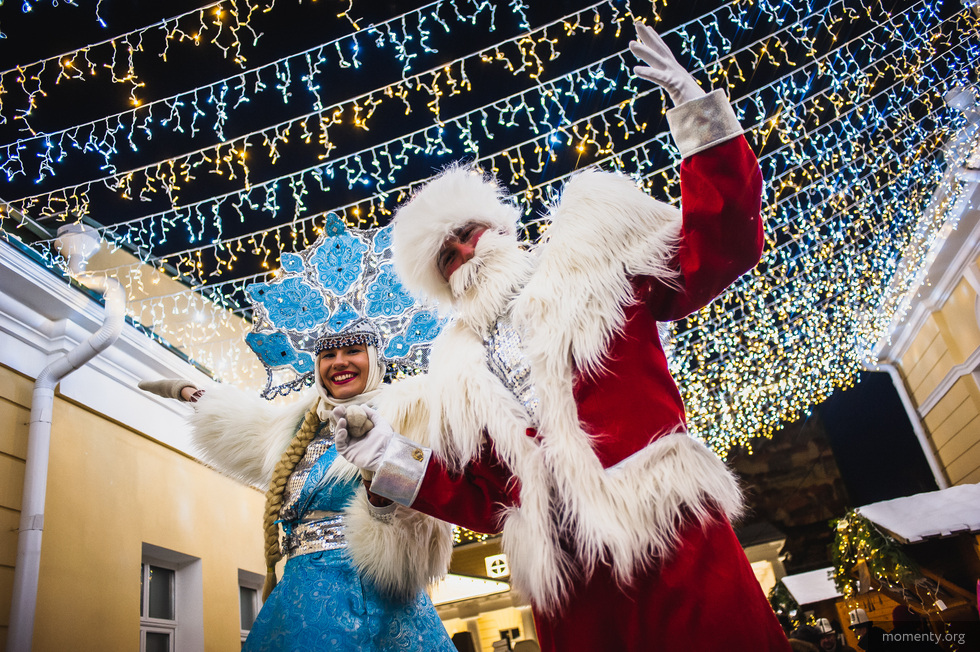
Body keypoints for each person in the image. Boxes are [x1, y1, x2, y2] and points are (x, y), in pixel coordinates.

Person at [335, 21, 790, 652]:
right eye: (448, 254)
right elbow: (480, 495)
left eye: (470, 231)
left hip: (670, 533)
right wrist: (384, 456)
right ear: (442, 282)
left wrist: (699, 118)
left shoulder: (592, 267)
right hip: (572, 583)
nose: (467, 251)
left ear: (499, 225)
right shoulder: (456, 373)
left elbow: (722, 246)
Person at [139, 319, 455, 652]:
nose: (339, 362)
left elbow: (427, 500)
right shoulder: (297, 428)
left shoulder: (408, 417)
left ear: (376, 361)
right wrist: (188, 392)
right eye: (328, 354)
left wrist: (378, 480)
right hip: (298, 589)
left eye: (353, 351)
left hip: (372, 595)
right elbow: (242, 426)